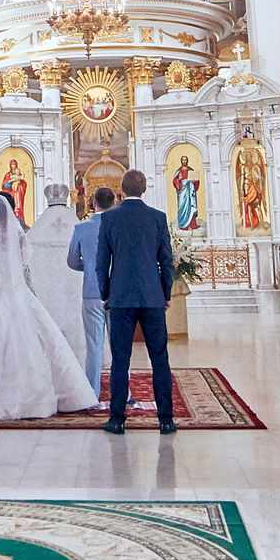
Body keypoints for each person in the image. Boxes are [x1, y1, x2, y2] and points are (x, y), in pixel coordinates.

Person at [0, 196, 99, 419]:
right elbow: (24, 269)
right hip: (14, 293)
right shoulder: (17, 234)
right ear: (12, 211)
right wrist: (31, 293)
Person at [95, 168, 175, 434]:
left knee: (120, 359)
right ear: (144, 189)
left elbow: (101, 262)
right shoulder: (157, 218)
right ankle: (166, 419)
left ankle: (117, 419)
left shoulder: (109, 218)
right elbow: (166, 260)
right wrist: (165, 294)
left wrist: (106, 293)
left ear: (121, 189)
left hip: (120, 297)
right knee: (159, 357)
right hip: (152, 296)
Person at [23, 185, 82, 351]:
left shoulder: (37, 229)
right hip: (73, 290)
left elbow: (25, 260)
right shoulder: (76, 225)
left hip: (46, 290)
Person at [66, 186, 111, 394]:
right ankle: (125, 391)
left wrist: (90, 266)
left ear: (93, 203)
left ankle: (93, 390)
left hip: (92, 291)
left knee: (94, 345)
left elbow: (72, 260)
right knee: (120, 345)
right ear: (113, 203)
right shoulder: (119, 226)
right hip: (117, 293)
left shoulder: (81, 228)